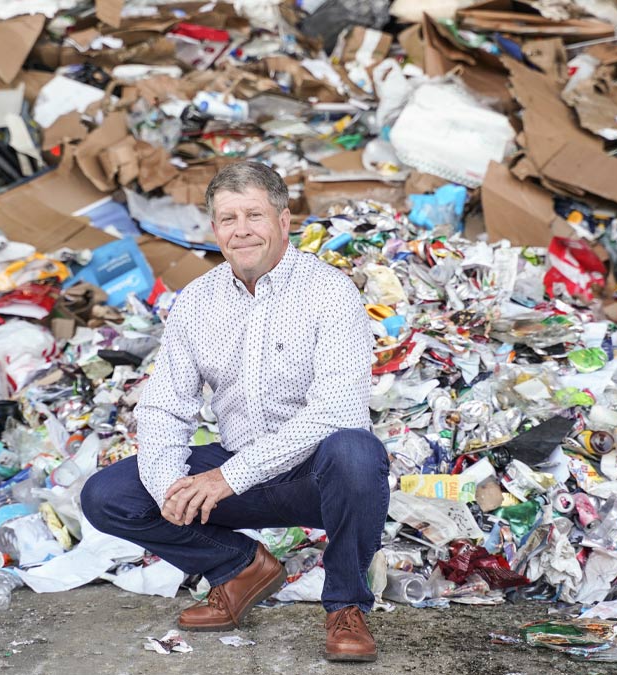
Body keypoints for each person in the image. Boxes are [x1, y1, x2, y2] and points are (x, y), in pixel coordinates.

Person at [81, 161, 389, 662]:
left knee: (356, 451)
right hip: (238, 470)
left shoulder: (330, 292)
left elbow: (337, 411)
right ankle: (240, 567)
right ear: (214, 229)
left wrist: (229, 476)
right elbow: (165, 405)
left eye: (254, 215)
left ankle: (346, 607)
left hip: (317, 478)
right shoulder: (197, 301)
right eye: (228, 219)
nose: (241, 230)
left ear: (284, 221)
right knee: (107, 495)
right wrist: (168, 490)